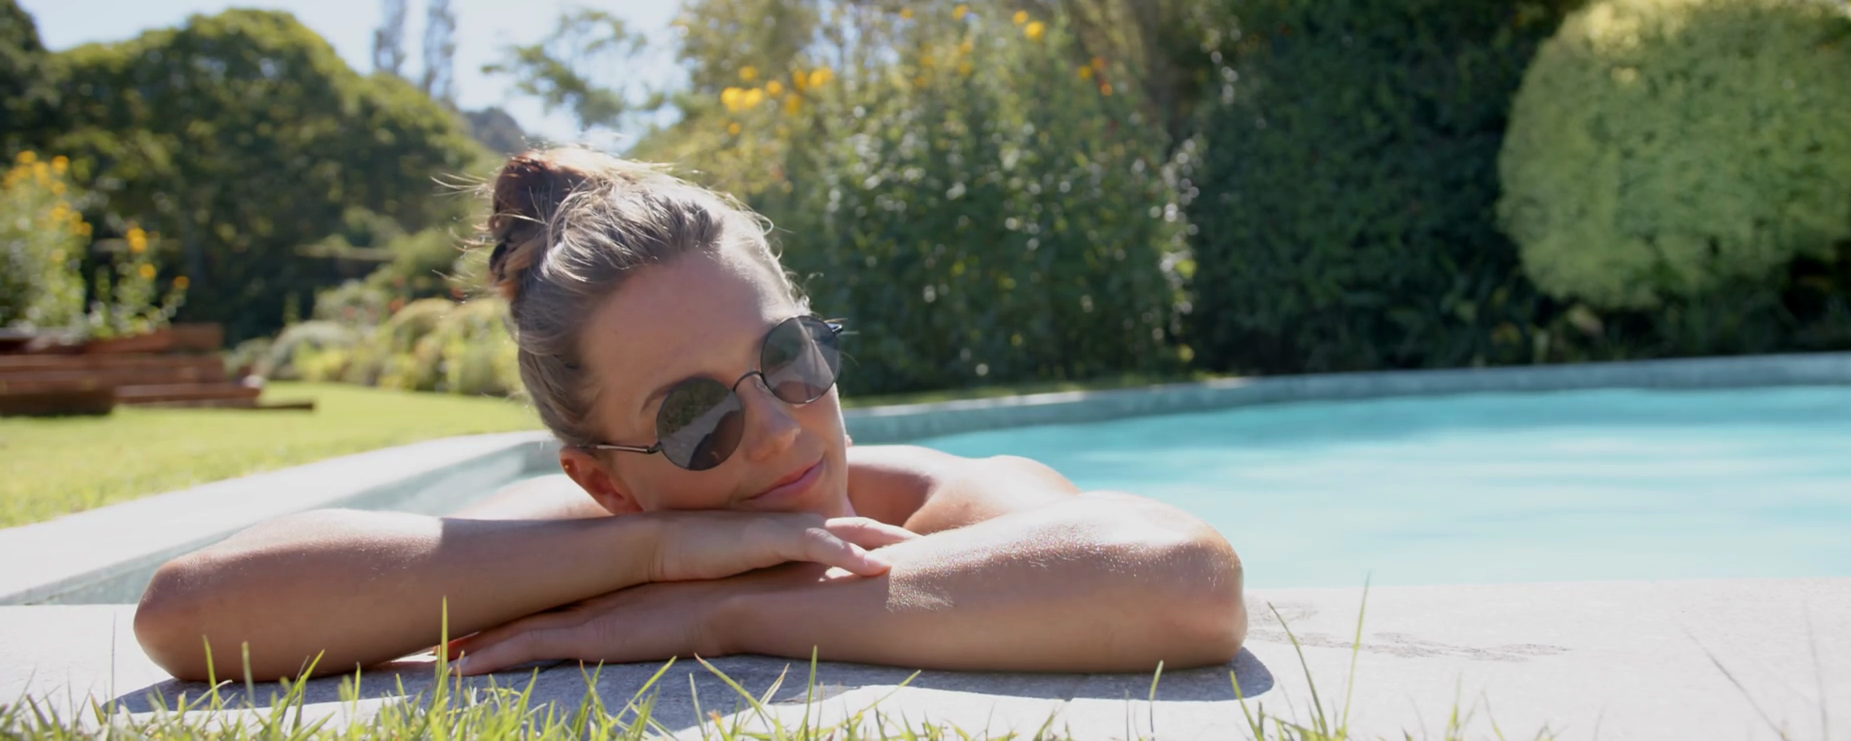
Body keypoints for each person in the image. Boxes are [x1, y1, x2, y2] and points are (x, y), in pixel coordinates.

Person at [132, 148, 1246, 683]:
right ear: (604, 479)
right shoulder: (608, 533)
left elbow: (1183, 579)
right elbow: (189, 614)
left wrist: (712, 610)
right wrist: (660, 552)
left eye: (788, 356)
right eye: (695, 418)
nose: (779, 431)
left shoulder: (948, 500)